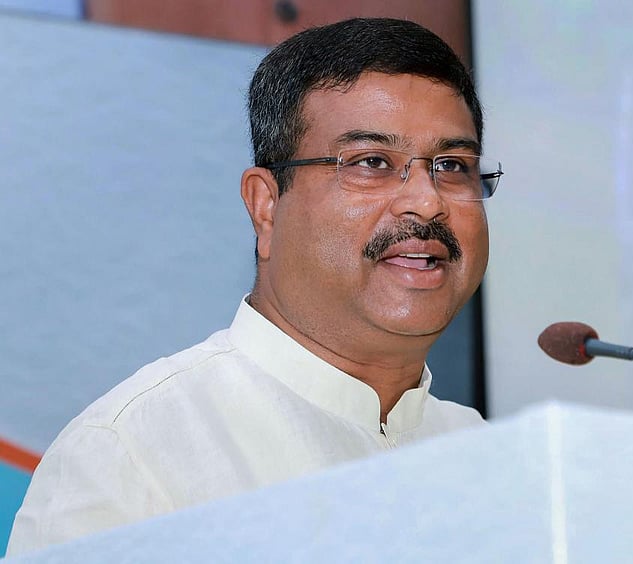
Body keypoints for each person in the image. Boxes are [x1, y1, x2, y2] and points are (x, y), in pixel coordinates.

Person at [8, 17, 501, 555]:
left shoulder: (486, 456)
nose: (427, 202)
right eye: (373, 162)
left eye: (453, 165)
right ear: (266, 206)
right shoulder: (136, 454)